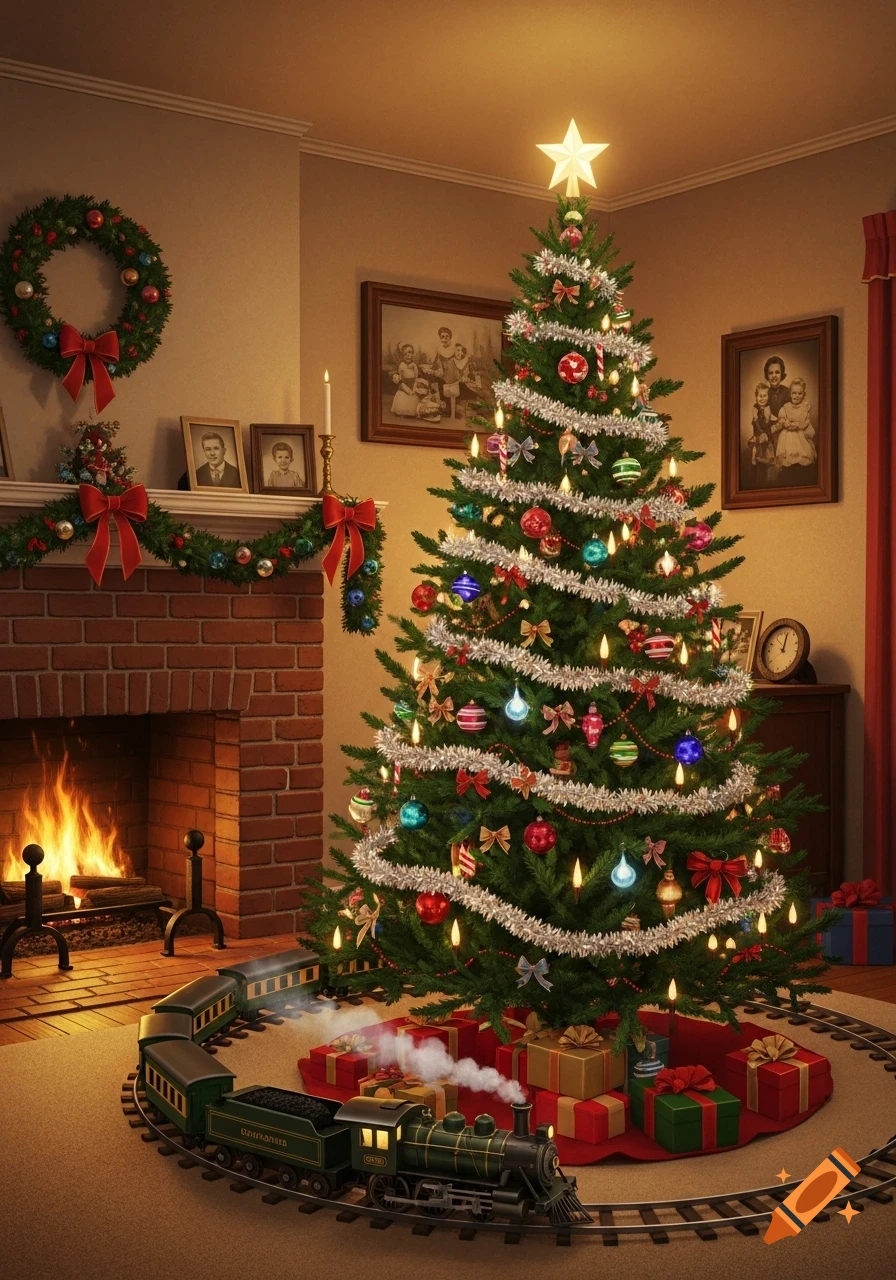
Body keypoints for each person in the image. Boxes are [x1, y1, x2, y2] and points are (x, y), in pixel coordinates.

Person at [774, 377, 816, 469]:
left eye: (799, 393)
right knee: (787, 439)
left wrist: (798, 425)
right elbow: (782, 418)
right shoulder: (786, 406)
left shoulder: (805, 407)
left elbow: (806, 421)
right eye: (794, 393)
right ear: (790, 394)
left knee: (802, 449)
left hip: (800, 433)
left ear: (803, 394)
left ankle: (799, 462)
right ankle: (788, 462)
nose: (796, 396)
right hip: (788, 433)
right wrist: (785, 422)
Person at [747, 381, 776, 476]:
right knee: (757, 443)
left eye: (765, 396)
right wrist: (761, 432)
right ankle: (754, 456)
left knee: (769, 443)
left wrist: (777, 419)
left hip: (766, 429)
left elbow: (771, 417)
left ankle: (769, 459)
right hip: (758, 428)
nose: (762, 398)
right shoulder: (755, 407)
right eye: (760, 396)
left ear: (768, 397)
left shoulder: (768, 407)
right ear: (756, 397)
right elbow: (755, 421)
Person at [389, 343, 419, 416]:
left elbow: (416, 376)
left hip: (412, 385)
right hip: (404, 385)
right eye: (406, 354)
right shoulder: (401, 365)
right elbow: (399, 376)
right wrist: (397, 377)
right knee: (402, 401)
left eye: (411, 353)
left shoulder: (414, 365)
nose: (409, 356)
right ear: (402, 355)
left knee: (414, 399)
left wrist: (415, 386)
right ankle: (403, 411)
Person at [763, 355, 790, 420]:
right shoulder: (764, 393)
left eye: (777, 372)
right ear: (767, 375)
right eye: (770, 373)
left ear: (782, 374)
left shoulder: (788, 392)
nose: (774, 375)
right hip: (769, 427)